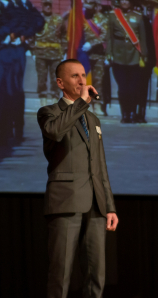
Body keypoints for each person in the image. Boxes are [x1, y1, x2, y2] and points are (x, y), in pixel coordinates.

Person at [37, 59, 119, 298]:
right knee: (60, 273)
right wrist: (82, 102)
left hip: (96, 203)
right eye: (75, 76)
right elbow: (55, 131)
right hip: (66, 201)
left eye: (83, 75)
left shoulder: (93, 120)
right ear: (60, 83)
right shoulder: (49, 112)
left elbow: (100, 167)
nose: (82, 80)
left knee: (97, 274)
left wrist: (110, 207)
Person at [106, 0, 149, 123]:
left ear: (131, 2)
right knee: (123, 88)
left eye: (127, 0)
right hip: (118, 55)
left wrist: (143, 55)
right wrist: (109, 53)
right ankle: (124, 113)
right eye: (122, 0)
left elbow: (142, 37)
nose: (124, 2)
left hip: (134, 56)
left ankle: (132, 112)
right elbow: (109, 36)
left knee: (133, 88)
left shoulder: (138, 16)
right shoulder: (113, 16)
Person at [32, 0, 64, 106]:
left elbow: (64, 35)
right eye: (46, 5)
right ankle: (43, 98)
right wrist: (32, 50)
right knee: (42, 78)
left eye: (49, 5)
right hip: (41, 53)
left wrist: (63, 50)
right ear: (42, 5)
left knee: (55, 78)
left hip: (55, 54)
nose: (48, 7)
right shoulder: (37, 18)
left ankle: (55, 98)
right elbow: (31, 34)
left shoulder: (58, 19)